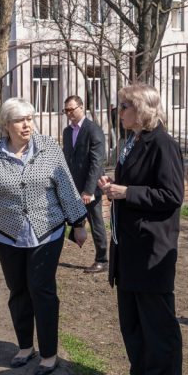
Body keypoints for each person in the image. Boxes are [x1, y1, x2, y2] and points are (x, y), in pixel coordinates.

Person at [0, 97, 89, 375]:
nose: (27, 124)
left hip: (47, 230)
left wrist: (78, 222)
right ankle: (26, 347)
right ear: (7, 125)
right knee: (18, 291)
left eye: (29, 118)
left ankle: (49, 354)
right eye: (20, 120)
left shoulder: (48, 148)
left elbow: (65, 184)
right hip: (9, 233)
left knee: (42, 289)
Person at [98, 83, 185, 375]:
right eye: (120, 106)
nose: (118, 111)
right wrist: (115, 188)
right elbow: (132, 187)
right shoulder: (131, 141)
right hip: (128, 248)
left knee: (157, 324)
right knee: (132, 321)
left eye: (124, 106)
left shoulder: (163, 144)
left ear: (143, 110)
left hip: (151, 251)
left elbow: (171, 196)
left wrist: (127, 192)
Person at [62, 95, 109, 273]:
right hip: (73, 186)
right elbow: (68, 159)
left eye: (72, 109)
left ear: (81, 108)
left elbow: (97, 163)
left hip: (90, 188)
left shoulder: (93, 130)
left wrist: (89, 191)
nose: (69, 113)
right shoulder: (67, 132)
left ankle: (102, 259)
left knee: (96, 222)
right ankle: (76, 237)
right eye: (66, 110)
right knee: (73, 217)